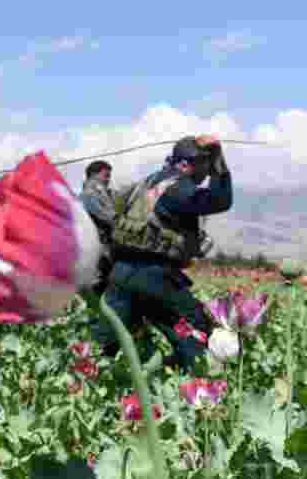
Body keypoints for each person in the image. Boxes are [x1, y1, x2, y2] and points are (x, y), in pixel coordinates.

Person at [92, 135, 230, 371]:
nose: (207, 172)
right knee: (196, 335)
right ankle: (198, 384)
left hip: (122, 274)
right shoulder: (178, 188)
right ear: (185, 165)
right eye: (204, 165)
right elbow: (220, 201)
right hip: (154, 278)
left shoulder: (148, 183)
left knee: (105, 344)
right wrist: (221, 167)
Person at [78, 161, 116, 300]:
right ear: (94, 175)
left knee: (104, 277)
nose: (108, 179)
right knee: (98, 280)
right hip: (97, 244)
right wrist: (119, 224)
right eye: (106, 175)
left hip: (102, 244)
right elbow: (103, 215)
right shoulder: (90, 192)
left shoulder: (100, 192)